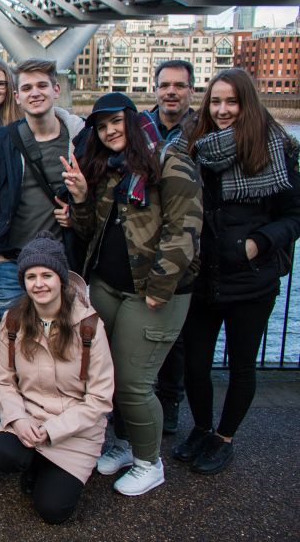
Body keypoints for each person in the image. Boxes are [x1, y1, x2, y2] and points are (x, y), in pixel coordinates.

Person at [63, 93, 202, 495]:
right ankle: (125, 445)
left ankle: (149, 463)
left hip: (150, 292)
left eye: (115, 122)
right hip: (108, 286)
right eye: (101, 127)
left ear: (133, 121)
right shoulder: (111, 170)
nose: (109, 132)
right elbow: (89, 231)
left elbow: (184, 230)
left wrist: (160, 288)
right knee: (107, 376)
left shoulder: (172, 162)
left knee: (132, 382)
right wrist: (80, 196)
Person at [172, 68, 300, 475]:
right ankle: (202, 429)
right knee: (196, 364)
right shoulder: (192, 146)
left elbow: (294, 214)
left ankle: (224, 439)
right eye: (216, 101)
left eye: (232, 101)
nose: (223, 110)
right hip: (201, 276)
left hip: (251, 280)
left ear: (247, 104)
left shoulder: (274, 148)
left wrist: (256, 243)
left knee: (242, 365)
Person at [0, 231, 114, 524]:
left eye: (47, 275)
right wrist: (18, 419)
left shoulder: (89, 326)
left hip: (75, 427)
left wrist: (54, 428)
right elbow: (3, 380)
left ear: (61, 278)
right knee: (3, 454)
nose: (39, 284)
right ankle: (35, 464)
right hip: (29, 415)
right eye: (31, 277)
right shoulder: (12, 321)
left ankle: (54, 467)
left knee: (53, 511)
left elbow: (99, 399)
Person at [0, 58, 85, 315]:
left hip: (61, 262)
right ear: (17, 97)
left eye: (42, 85)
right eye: (27, 88)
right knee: (10, 336)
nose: (35, 93)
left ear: (56, 90)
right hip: (11, 263)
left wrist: (77, 213)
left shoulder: (80, 138)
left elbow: (91, 197)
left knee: (61, 336)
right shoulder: (4, 139)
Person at [140, 59, 197, 433]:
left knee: (176, 339)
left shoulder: (202, 130)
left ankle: (171, 402)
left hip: (183, 242)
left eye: (179, 86)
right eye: (164, 85)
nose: (171, 92)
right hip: (143, 242)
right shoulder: (140, 128)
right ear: (155, 89)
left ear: (191, 91)